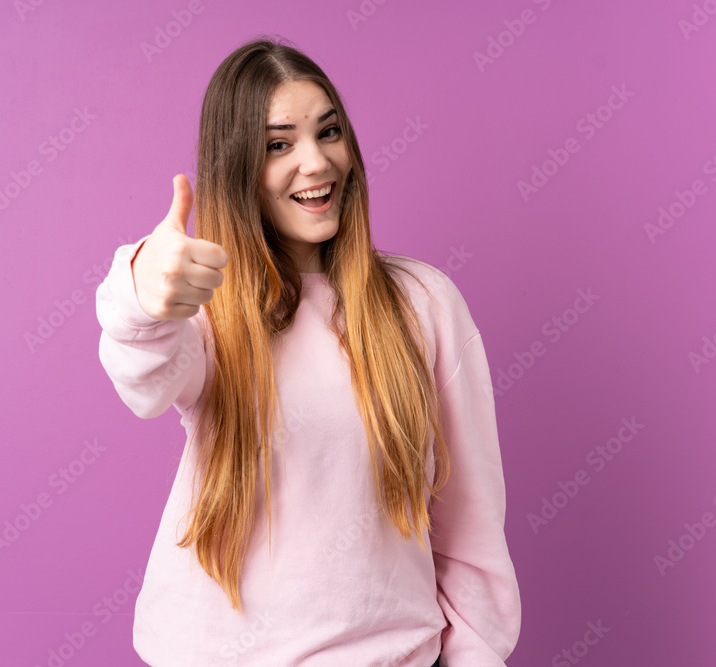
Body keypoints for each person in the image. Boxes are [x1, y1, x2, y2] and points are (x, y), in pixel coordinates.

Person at [95, 36, 521, 667]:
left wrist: (476, 657)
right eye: (279, 145)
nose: (317, 162)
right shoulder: (206, 305)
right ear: (237, 166)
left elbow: (470, 525)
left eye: (329, 132)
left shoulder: (424, 302)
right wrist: (142, 291)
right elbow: (143, 379)